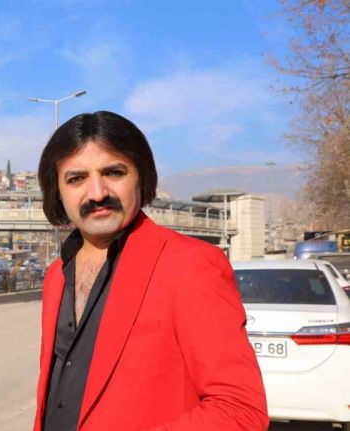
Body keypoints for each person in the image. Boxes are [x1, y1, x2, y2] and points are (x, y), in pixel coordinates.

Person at [33, 111, 268, 431]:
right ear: (58, 191)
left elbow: (239, 411)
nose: (97, 193)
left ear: (140, 178)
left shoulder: (190, 265)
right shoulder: (56, 276)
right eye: (76, 179)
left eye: (113, 172)